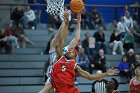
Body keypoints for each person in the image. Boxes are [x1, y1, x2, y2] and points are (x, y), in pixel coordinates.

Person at [50, 14, 119, 93]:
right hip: (59, 90)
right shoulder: (60, 57)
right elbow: (61, 38)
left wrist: (105, 74)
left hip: (71, 90)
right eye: (69, 50)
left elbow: (90, 77)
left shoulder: (75, 66)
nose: (70, 50)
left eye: (72, 51)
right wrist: (65, 22)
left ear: (75, 56)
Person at [38, 10, 80, 93]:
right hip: (52, 78)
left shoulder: (67, 50)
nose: (55, 39)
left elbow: (76, 39)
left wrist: (78, 24)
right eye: (54, 38)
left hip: (63, 78)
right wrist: (65, 20)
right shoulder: (52, 48)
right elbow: (59, 35)